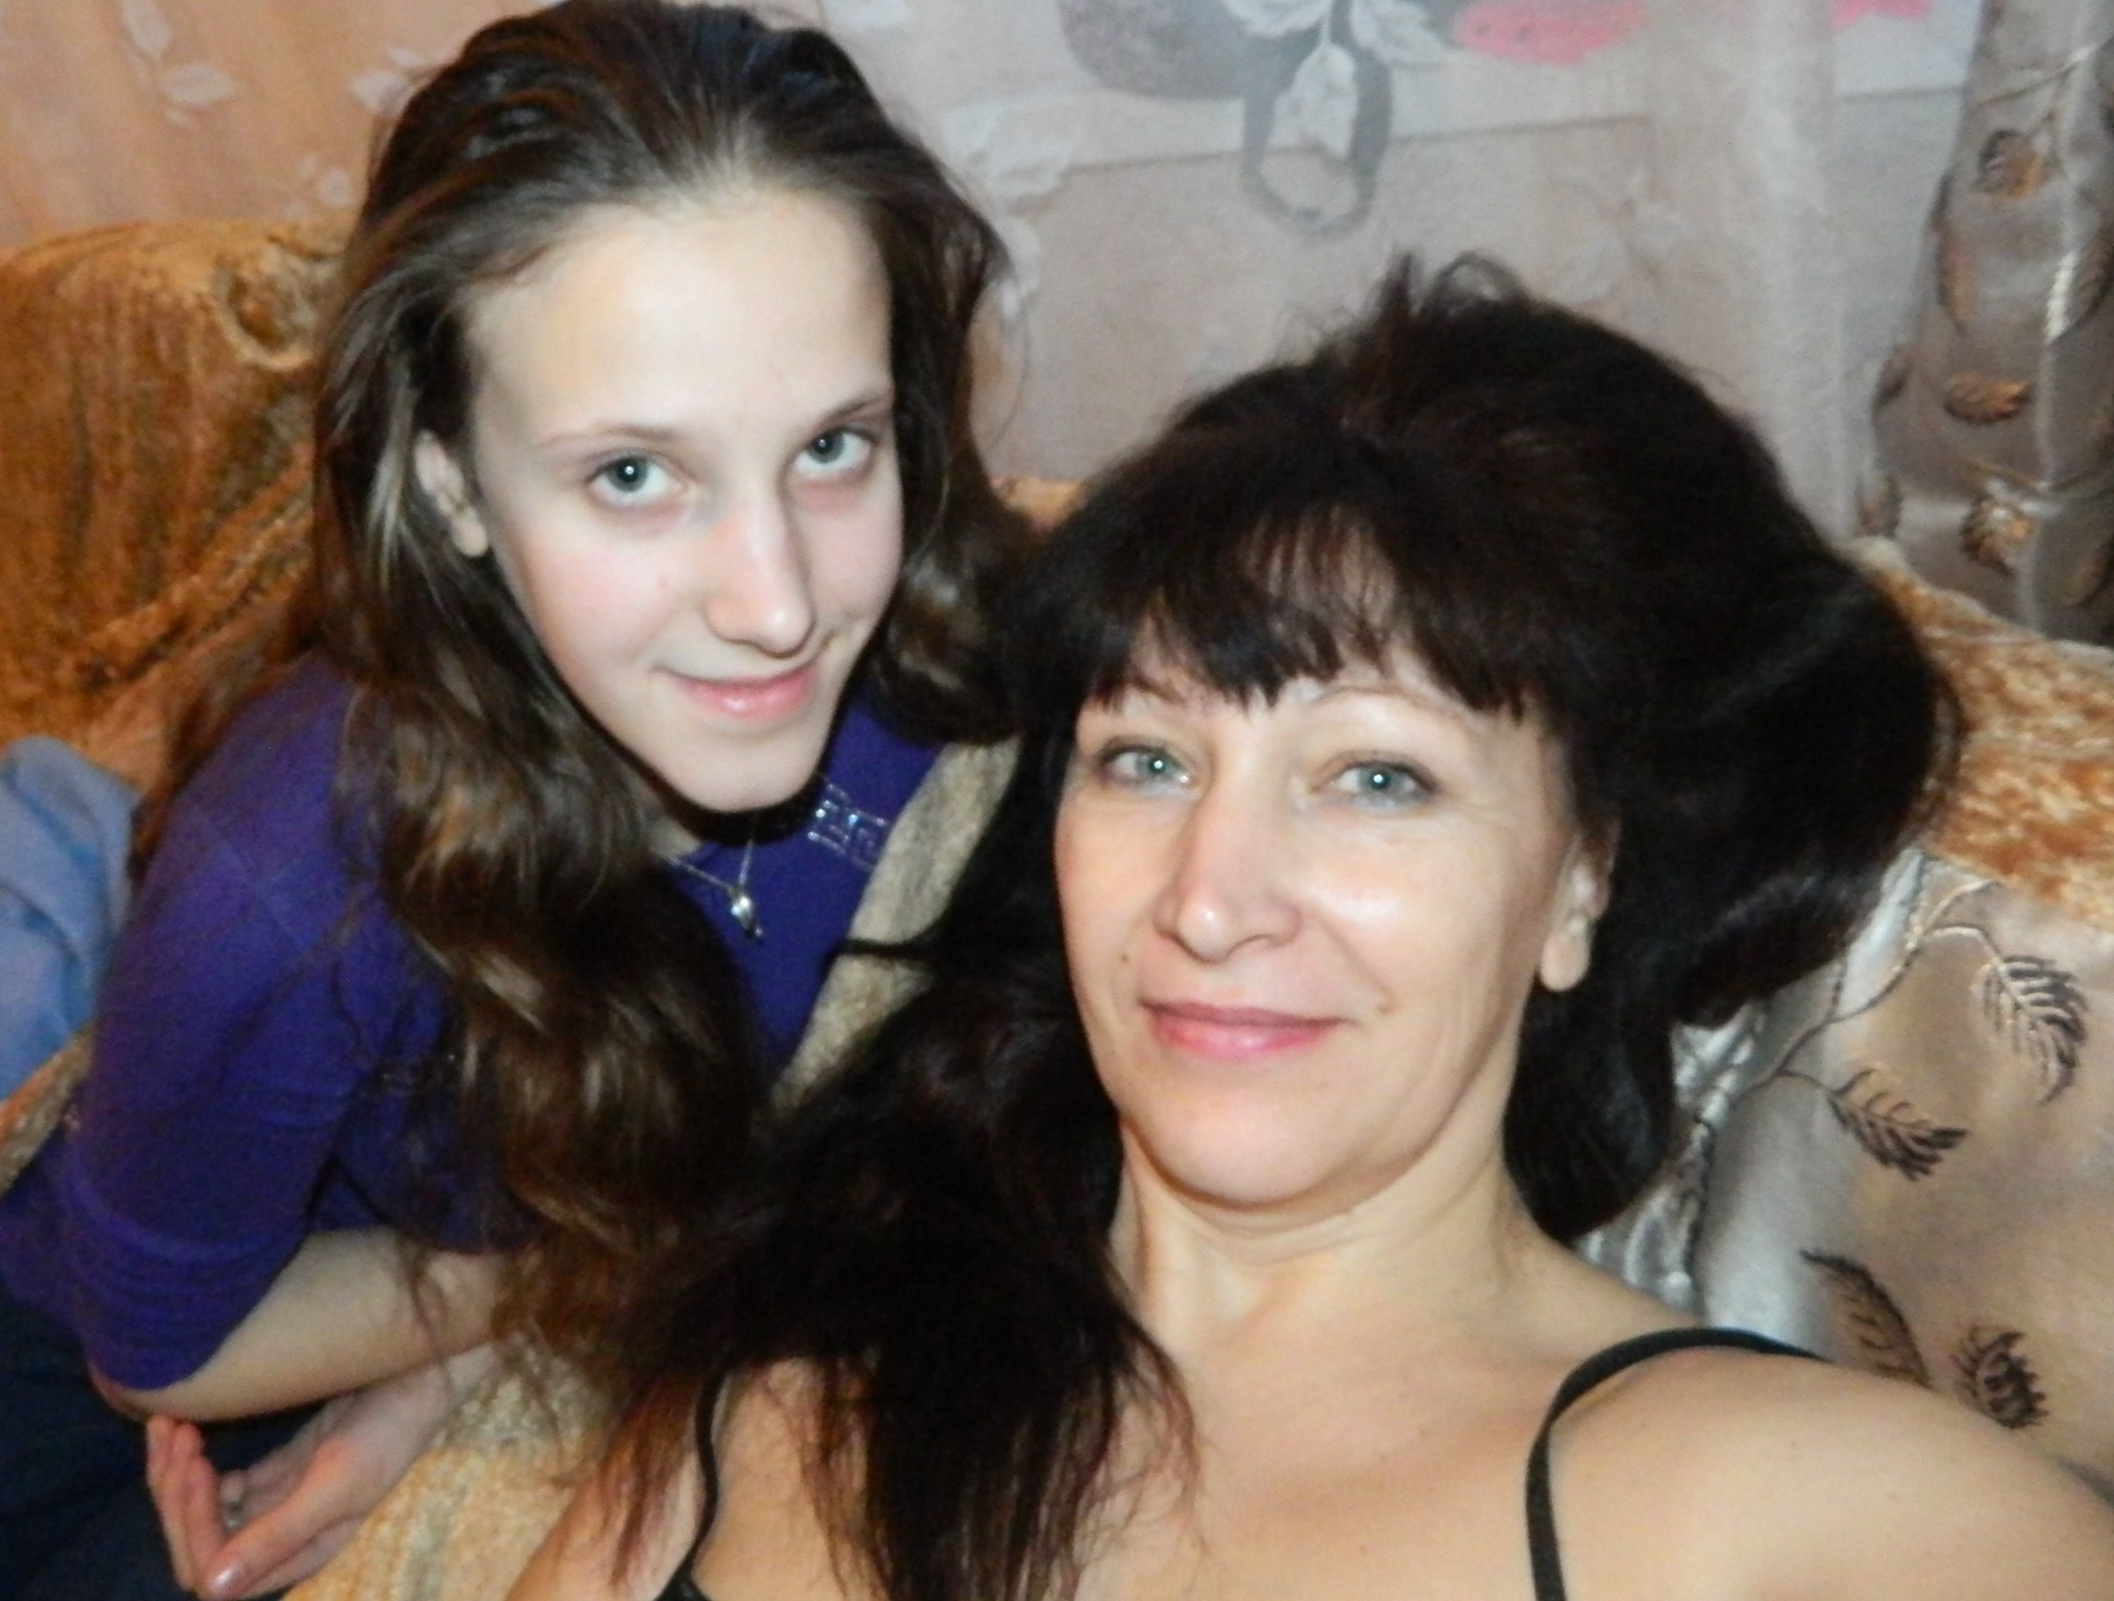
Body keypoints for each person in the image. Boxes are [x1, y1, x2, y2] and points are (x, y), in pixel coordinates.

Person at [0, 0, 1027, 1601]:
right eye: (633, 475)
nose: (777, 601)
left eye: (832, 447)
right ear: (451, 485)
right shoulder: (292, 882)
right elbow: (156, 1352)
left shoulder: (961, 665)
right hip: (178, 1312)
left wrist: (460, 1372)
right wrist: (539, 1292)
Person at [514, 258, 2114, 1601]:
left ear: (1581, 879)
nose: (1209, 901)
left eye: (1376, 779)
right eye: (1147, 762)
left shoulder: (1817, 1520)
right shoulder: (765, 1413)